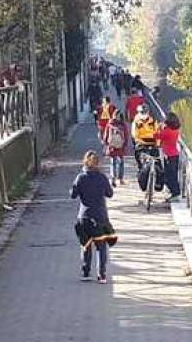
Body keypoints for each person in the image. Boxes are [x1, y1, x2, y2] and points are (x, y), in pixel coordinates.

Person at [71, 151, 117, 284]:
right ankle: (101, 275)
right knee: (101, 247)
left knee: (86, 245)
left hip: (84, 217)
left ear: (85, 162)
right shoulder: (102, 177)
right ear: (98, 163)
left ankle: (86, 272)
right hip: (100, 217)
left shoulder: (80, 177)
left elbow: (73, 195)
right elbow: (110, 194)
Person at [157, 112, 182, 202]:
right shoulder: (175, 130)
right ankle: (176, 193)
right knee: (174, 175)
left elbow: (157, 136)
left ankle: (175, 193)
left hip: (169, 155)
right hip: (175, 154)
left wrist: (159, 128)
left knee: (168, 176)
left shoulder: (167, 131)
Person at [103, 110, 129, 187]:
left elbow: (105, 136)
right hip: (120, 146)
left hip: (112, 147)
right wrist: (125, 145)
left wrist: (106, 144)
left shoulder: (109, 124)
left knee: (112, 163)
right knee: (121, 162)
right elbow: (126, 136)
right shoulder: (123, 125)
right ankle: (120, 179)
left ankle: (113, 179)